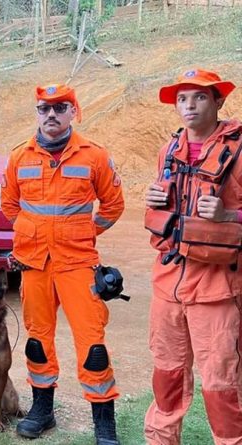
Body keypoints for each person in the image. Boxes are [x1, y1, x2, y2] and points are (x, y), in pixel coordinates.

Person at [1, 84, 125, 444]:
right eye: (44, 108)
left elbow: (113, 206)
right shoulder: (19, 157)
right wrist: (30, 232)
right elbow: (10, 206)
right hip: (35, 265)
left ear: (74, 111)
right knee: (38, 342)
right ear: (37, 113)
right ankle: (43, 412)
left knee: (93, 347)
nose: (51, 114)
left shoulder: (94, 156)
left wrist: (84, 232)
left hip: (78, 264)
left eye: (60, 108)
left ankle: (104, 423)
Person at [143, 68, 242, 445]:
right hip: (168, 285)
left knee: (221, 384)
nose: (189, 105)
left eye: (199, 97)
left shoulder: (239, 149)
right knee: (166, 377)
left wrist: (227, 215)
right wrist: (152, 201)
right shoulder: (168, 150)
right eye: (182, 98)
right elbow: (164, 213)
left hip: (217, 288)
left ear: (218, 101)